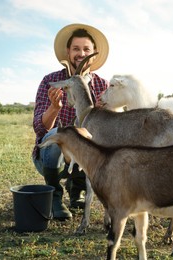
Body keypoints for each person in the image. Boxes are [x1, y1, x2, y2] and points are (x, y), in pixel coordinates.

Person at [32, 23, 109, 221]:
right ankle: (55, 196)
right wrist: (54, 108)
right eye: (76, 49)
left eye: (86, 49)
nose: (80, 53)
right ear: (68, 52)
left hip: (86, 159)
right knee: (61, 133)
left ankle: (78, 190)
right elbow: (41, 130)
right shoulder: (51, 81)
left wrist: (105, 112)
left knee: (94, 136)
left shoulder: (103, 85)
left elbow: (112, 131)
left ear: (94, 53)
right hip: (51, 158)